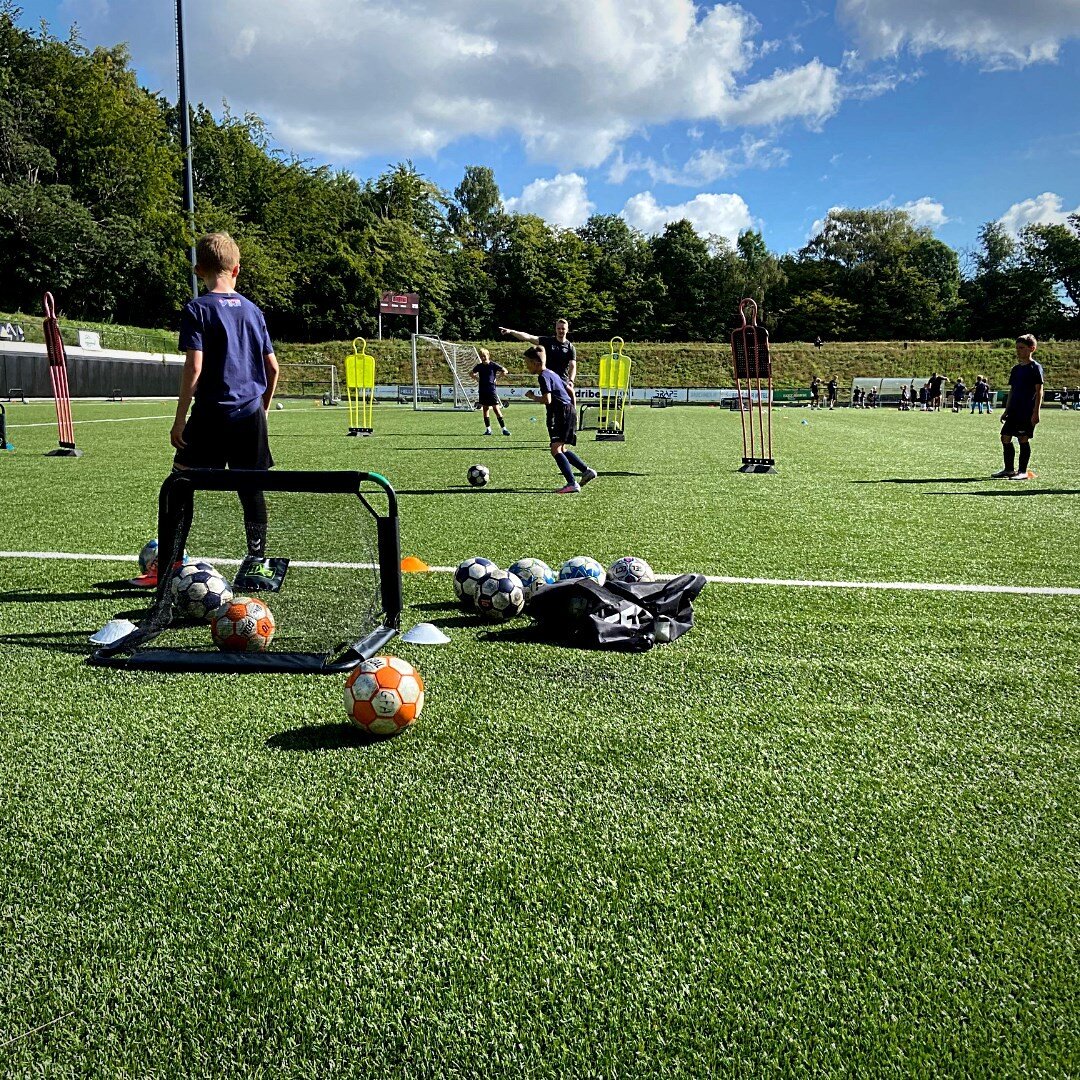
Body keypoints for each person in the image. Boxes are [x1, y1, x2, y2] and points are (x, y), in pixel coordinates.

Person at [171, 231, 279, 572]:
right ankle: (256, 560)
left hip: (210, 414)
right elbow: (273, 367)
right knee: (251, 487)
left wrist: (180, 418)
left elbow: (195, 366)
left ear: (198, 270)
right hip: (249, 414)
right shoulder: (253, 311)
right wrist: (262, 409)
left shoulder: (197, 309)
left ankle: (172, 561)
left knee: (180, 483)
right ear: (236, 270)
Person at [523, 344, 597, 494]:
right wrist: (573, 410)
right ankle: (586, 471)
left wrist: (532, 397)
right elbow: (569, 390)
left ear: (536, 363)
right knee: (562, 448)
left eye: (527, 363)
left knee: (555, 449)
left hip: (559, 413)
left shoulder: (543, 376)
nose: (526, 366)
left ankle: (572, 483)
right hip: (568, 410)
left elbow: (547, 399)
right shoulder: (552, 373)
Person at [992, 334, 1043, 481]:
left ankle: (1022, 471)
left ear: (1032, 348)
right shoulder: (1016, 369)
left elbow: (1039, 390)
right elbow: (1013, 390)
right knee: (1005, 438)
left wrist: (1036, 412)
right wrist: (1006, 410)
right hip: (1014, 409)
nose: (1018, 351)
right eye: (1017, 348)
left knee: (1023, 438)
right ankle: (1009, 469)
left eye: (1021, 348)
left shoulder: (1035, 368)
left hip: (1026, 410)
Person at [499, 318, 577, 402]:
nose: (561, 330)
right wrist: (511, 331)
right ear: (555, 329)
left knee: (562, 404)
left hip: (562, 381)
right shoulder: (548, 341)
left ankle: (573, 415)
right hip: (548, 379)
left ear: (567, 330)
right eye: (559, 328)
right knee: (550, 405)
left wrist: (571, 380)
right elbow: (529, 337)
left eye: (563, 328)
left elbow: (572, 366)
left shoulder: (570, 347)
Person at [469, 348, 510, 436]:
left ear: (488, 355)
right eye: (481, 356)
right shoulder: (479, 366)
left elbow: (505, 371)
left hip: (491, 390)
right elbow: (471, 373)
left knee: (496, 409)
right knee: (485, 409)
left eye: (484, 356)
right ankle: (488, 429)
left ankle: (504, 429)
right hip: (483, 390)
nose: (483, 358)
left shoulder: (493, 365)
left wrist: (497, 378)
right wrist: (477, 379)